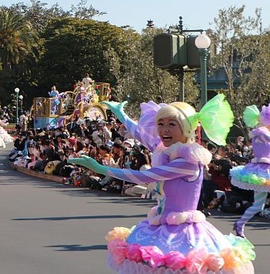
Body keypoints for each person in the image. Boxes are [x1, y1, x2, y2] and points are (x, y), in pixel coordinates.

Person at [69, 95, 255, 273]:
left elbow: (146, 176)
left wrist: (101, 169)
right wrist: (121, 114)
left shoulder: (188, 161)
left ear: (186, 129)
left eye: (171, 124)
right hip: (161, 223)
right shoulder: (167, 150)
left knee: (178, 266)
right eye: (161, 124)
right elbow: (141, 134)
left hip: (183, 232)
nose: (164, 130)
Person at [230, 104, 270, 238]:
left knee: (259, 206)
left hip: (263, 169)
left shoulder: (261, 132)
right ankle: (240, 224)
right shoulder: (262, 133)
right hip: (263, 170)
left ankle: (240, 223)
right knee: (259, 205)